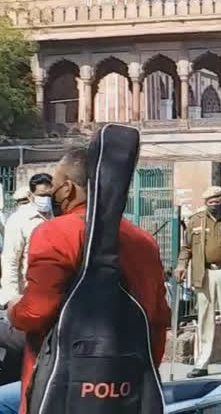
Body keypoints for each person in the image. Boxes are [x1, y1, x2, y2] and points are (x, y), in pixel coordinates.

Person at [6, 148, 170, 414]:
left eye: (54, 188)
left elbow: (35, 313)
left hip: (62, 390)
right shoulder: (143, 241)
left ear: (68, 189)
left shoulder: (55, 234)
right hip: (129, 389)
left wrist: (13, 309)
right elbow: (158, 318)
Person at [174, 187, 221, 377]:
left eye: (217, 198)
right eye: (210, 199)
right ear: (205, 202)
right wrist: (181, 266)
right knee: (205, 320)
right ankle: (202, 364)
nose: (214, 202)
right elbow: (186, 248)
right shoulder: (195, 221)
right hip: (204, 274)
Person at [0, 174, 53, 308]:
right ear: (31, 195)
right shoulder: (19, 220)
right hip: (27, 293)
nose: (45, 199)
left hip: (53, 292)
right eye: (41, 195)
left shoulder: (57, 216)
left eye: (49, 195)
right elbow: (10, 260)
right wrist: (11, 298)